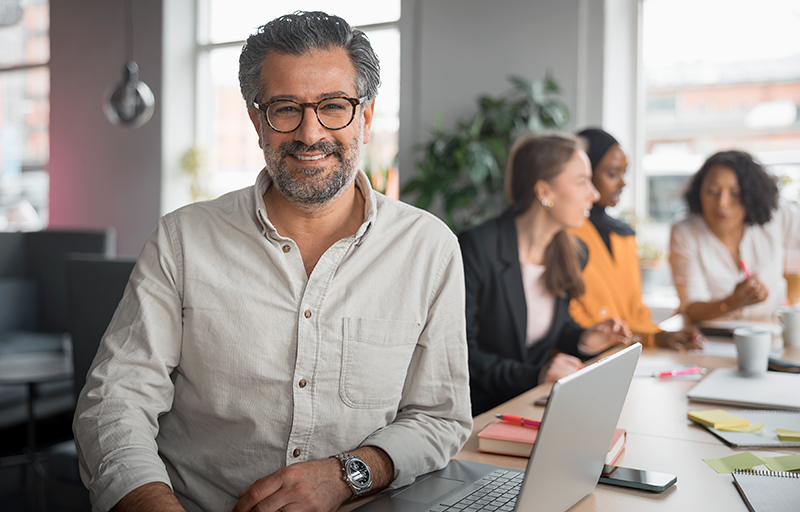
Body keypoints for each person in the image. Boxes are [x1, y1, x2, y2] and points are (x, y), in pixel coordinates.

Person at [73, 12, 472, 512]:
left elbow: (438, 417)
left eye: (334, 106)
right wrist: (151, 502)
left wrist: (348, 475)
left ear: (366, 118)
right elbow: (115, 401)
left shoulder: (428, 248)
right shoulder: (183, 239)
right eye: (285, 108)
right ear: (256, 119)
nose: (310, 133)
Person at [459, 133, 632, 416]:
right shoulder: (477, 248)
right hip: (478, 413)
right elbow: (462, 354)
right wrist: (535, 375)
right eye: (581, 181)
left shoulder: (573, 253)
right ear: (544, 192)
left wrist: (583, 340)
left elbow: (554, 328)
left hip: (535, 406)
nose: (595, 194)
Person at [568, 128, 701, 350]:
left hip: (631, 355)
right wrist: (648, 339)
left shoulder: (623, 236)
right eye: (612, 173)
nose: (623, 183)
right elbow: (574, 321)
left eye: (624, 173)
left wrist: (659, 337)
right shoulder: (567, 235)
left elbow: (636, 312)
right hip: (589, 357)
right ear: (585, 174)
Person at [670, 150, 800, 322]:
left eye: (735, 193)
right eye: (712, 190)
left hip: (771, 332)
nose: (722, 203)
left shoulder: (775, 216)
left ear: (751, 196)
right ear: (699, 191)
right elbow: (691, 308)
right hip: (710, 338)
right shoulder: (686, 232)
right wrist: (731, 302)